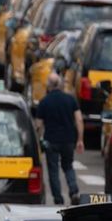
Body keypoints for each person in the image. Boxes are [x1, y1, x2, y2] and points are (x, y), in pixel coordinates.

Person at [33, 73, 84, 205]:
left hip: (51, 141)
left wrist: (38, 142)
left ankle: (58, 198)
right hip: (68, 140)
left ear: (49, 86)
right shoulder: (70, 100)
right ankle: (74, 191)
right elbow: (79, 119)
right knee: (68, 166)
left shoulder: (44, 102)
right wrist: (80, 139)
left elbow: (38, 126)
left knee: (53, 170)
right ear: (60, 84)